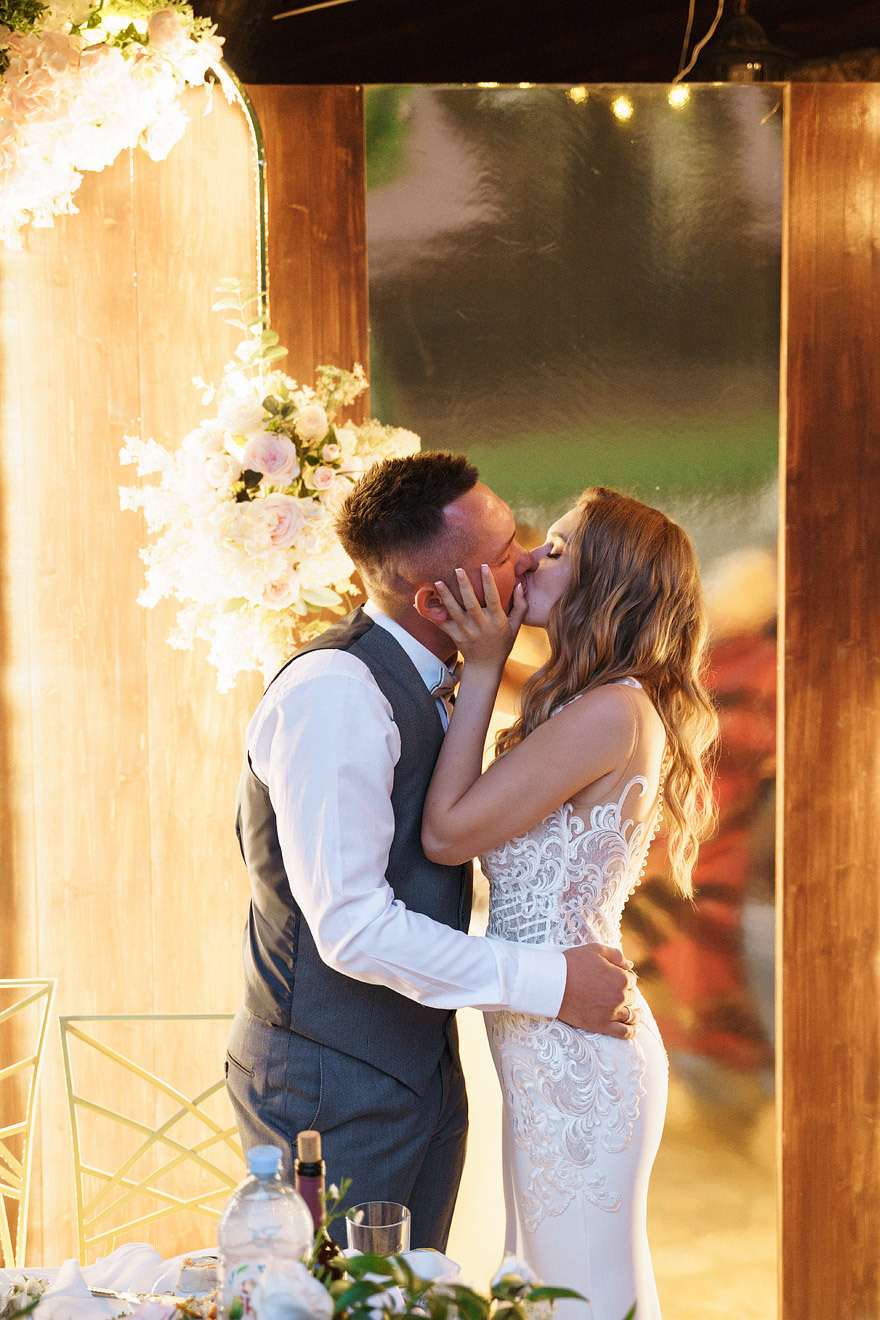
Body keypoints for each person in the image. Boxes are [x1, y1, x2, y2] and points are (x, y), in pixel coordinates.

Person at [226, 453, 639, 1251]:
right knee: (334, 1304)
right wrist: (552, 983)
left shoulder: (451, 675)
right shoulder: (335, 694)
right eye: (502, 553)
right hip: (329, 1086)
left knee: (416, 1298)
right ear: (434, 598)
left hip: (421, 1072)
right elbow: (353, 928)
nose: (526, 559)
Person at [421, 487, 719, 1319]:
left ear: (605, 585)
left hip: (578, 1060)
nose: (527, 558)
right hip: (547, 1042)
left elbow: (446, 834)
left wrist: (482, 666)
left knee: (583, 1300)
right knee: (539, 1294)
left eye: (554, 549)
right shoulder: (590, 703)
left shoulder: (612, 713)